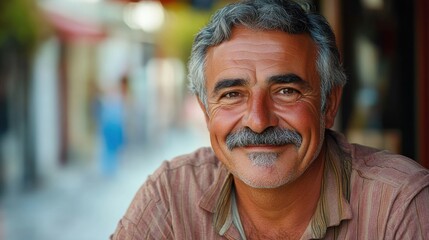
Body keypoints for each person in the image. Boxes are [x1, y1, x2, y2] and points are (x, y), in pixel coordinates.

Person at [111, 0, 429, 239]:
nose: (258, 121)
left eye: (286, 91)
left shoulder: (398, 203)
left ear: (329, 103)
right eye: (233, 94)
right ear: (206, 110)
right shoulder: (170, 194)